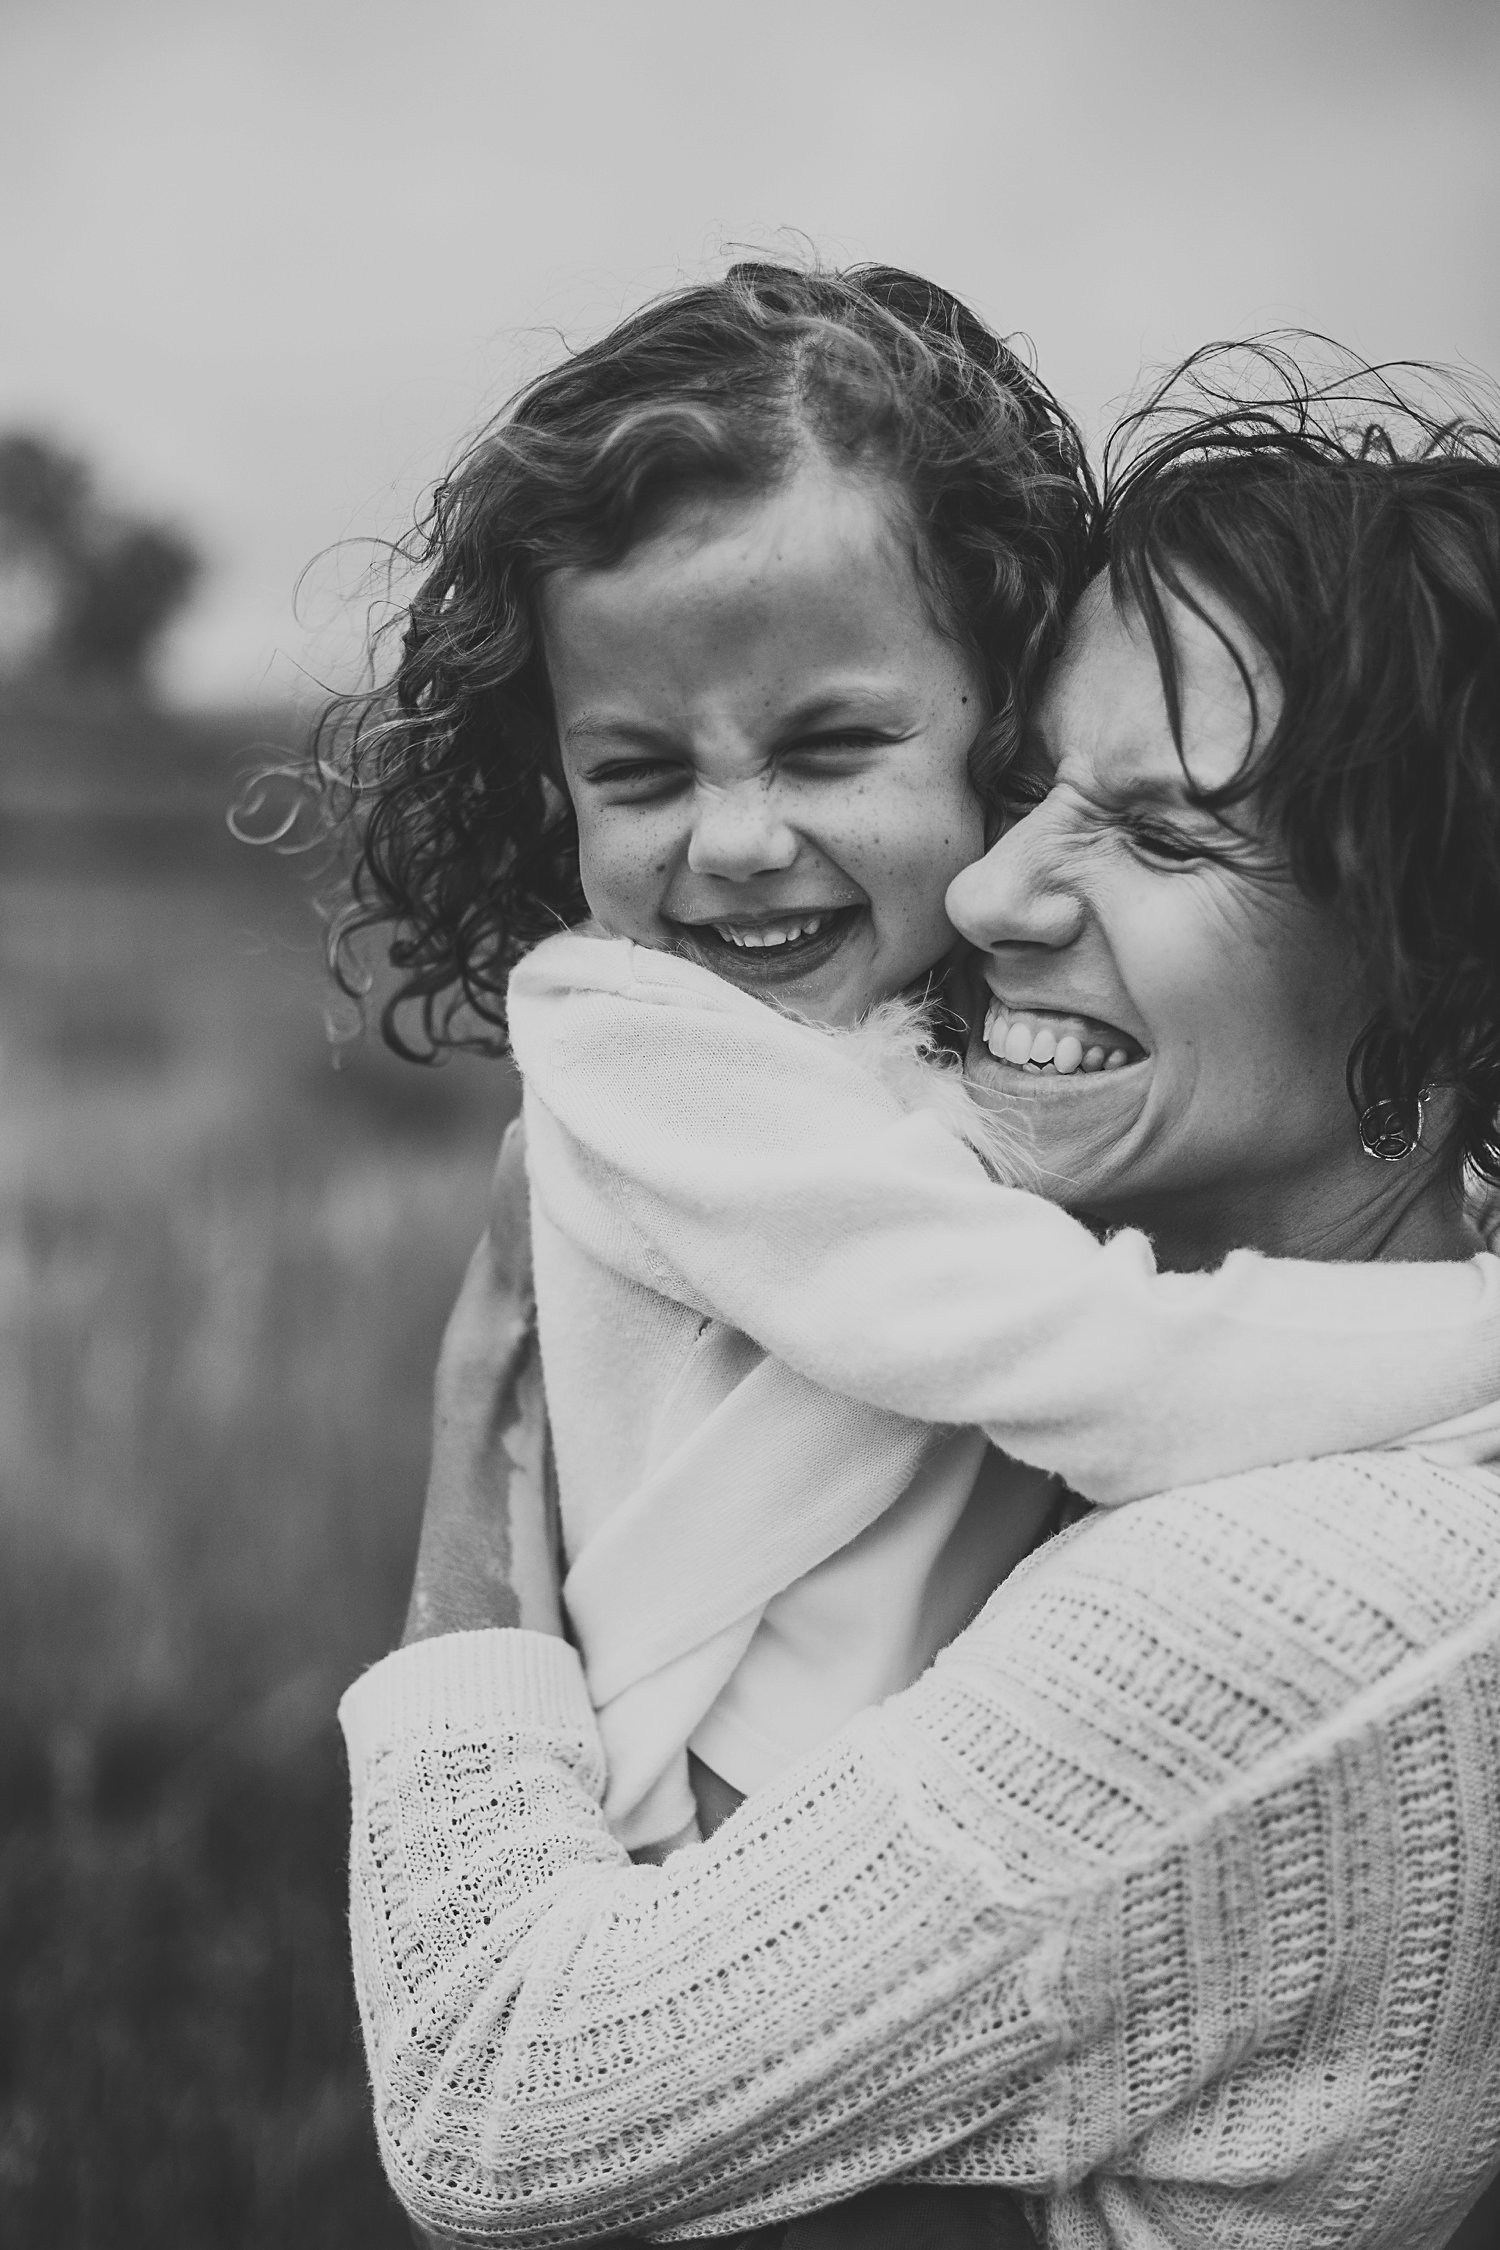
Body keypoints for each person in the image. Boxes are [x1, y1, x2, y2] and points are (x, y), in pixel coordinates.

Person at [341, 342, 1500, 2247]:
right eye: (1039, 787)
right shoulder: (666, 1055)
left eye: (1160, 829)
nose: (984, 898)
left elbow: (497, 2109)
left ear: (1438, 957)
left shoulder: (1301, 1592)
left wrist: (481, 1432)